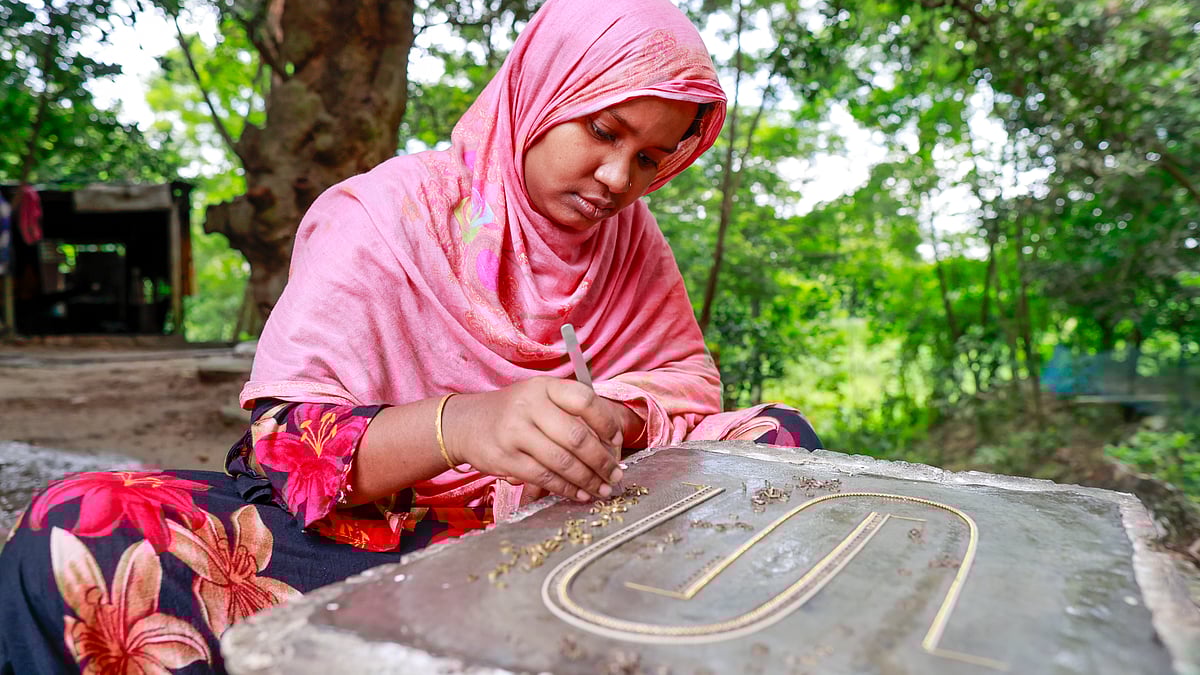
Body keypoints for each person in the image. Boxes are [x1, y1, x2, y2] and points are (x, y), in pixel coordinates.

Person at [0, 0, 821, 672]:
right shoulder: (387, 214)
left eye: (648, 159)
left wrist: (617, 419)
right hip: (377, 540)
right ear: (541, 94)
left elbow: (681, 389)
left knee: (776, 436)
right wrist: (467, 424)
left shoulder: (630, 243)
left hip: (565, 537)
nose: (617, 180)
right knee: (77, 527)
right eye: (603, 132)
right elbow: (289, 447)